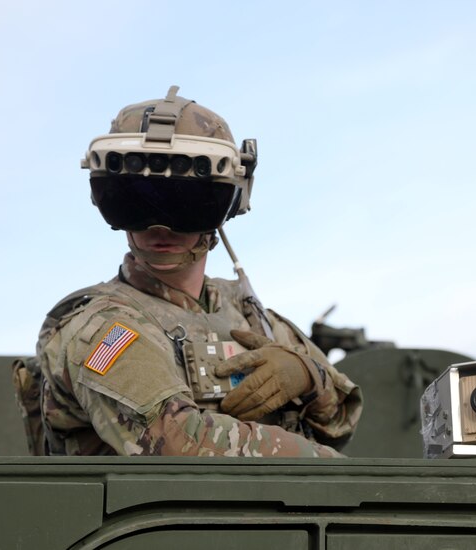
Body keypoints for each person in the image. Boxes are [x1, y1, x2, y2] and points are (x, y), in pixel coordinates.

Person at [32, 86, 362, 458]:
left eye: (187, 205)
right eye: (134, 203)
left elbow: (344, 419)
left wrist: (309, 376)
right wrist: (330, 468)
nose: (160, 227)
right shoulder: (101, 328)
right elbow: (176, 443)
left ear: (230, 205)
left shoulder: (250, 315)